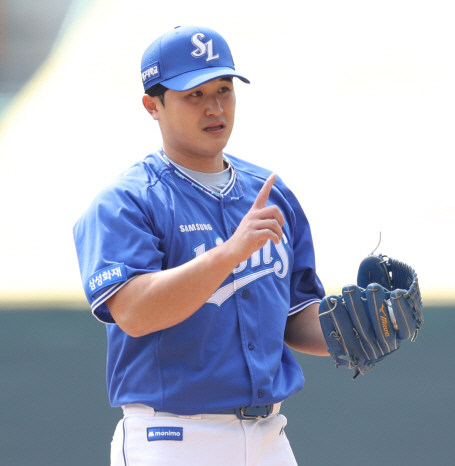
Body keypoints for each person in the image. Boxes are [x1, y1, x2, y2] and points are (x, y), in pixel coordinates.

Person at [73, 25, 329, 466]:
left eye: (224, 89)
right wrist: (230, 253)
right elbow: (135, 313)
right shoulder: (126, 201)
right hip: (172, 437)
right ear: (152, 105)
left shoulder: (269, 192)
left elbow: (295, 315)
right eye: (194, 94)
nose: (215, 107)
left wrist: (356, 332)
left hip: (270, 437)